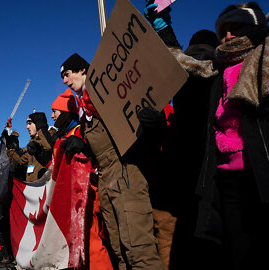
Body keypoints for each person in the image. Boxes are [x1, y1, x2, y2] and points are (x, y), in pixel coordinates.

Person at [146, 2, 269, 269]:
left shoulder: (262, 58)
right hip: (219, 181)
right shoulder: (214, 71)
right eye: (223, 30)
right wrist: (161, 23)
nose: (228, 35)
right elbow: (179, 61)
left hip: (257, 176)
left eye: (237, 27)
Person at [59, 53, 163, 269]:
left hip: (125, 173)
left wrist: (151, 126)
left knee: (139, 250)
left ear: (82, 70)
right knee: (120, 252)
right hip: (106, 178)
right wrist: (84, 147)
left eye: (67, 75)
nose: (65, 81)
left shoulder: (109, 94)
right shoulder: (85, 110)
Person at [49, 89, 113, 270]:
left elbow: (99, 156)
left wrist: (85, 149)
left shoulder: (80, 131)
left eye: (55, 111)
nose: (52, 116)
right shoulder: (60, 138)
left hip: (86, 196)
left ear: (65, 111)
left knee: (91, 243)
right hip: (68, 200)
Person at [6, 112, 54, 182]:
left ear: (38, 124)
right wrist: (12, 148)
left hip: (44, 187)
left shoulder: (50, 138)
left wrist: (41, 128)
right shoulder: (32, 143)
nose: (27, 127)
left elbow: (48, 147)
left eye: (30, 123)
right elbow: (22, 160)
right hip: (32, 187)